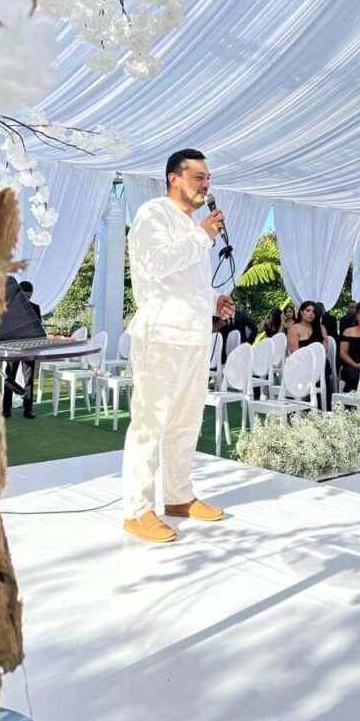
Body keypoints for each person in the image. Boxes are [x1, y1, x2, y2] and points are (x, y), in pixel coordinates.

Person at [122, 148, 235, 544]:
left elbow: (185, 282)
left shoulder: (191, 225)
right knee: (149, 423)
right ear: (175, 178)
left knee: (186, 421)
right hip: (161, 335)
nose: (207, 184)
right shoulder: (154, 214)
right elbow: (155, 264)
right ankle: (138, 510)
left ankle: (178, 496)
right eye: (199, 177)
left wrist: (213, 300)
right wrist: (201, 235)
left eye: (208, 178)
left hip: (194, 335)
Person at [2, 279, 41, 420]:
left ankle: (28, 409)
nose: (27, 300)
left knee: (29, 379)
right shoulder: (9, 309)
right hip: (13, 349)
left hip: (29, 350)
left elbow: (38, 330)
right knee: (9, 378)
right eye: (25, 296)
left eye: (29, 297)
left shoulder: (36, 308)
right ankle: (6, 409)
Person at [287, 300, 331, 408]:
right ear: (301, 312)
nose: (311, 313)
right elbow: (295, 353)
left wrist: (318, 357)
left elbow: (325, 346)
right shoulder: (294, 328)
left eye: (313, 312)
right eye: (308, 310)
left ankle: (323, 405)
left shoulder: (320, 328)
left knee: (324, 363)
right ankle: (308, 403)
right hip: (301, 363)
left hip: (319, 361)